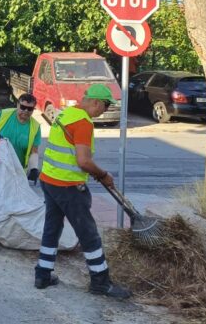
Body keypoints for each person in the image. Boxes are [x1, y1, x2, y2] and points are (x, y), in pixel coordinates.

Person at [34, 83, 130, 299]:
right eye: (104, 107)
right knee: (88, 234)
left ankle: (43, 274)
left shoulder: (67, 113)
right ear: (95, 102)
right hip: (68, 187)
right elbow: (83, 161)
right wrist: (103, 174)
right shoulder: (83, 123)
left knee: (52, 227)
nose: (104, 111)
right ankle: (100, 283)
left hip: (49, 181)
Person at [0, 93, 42, 183]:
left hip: (17, 171)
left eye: (30, 109)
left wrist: (34, 169)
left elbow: (34, 151)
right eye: (23, 107)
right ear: (17, 105)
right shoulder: (3, 115)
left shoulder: (35, 126)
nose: (26, 111)